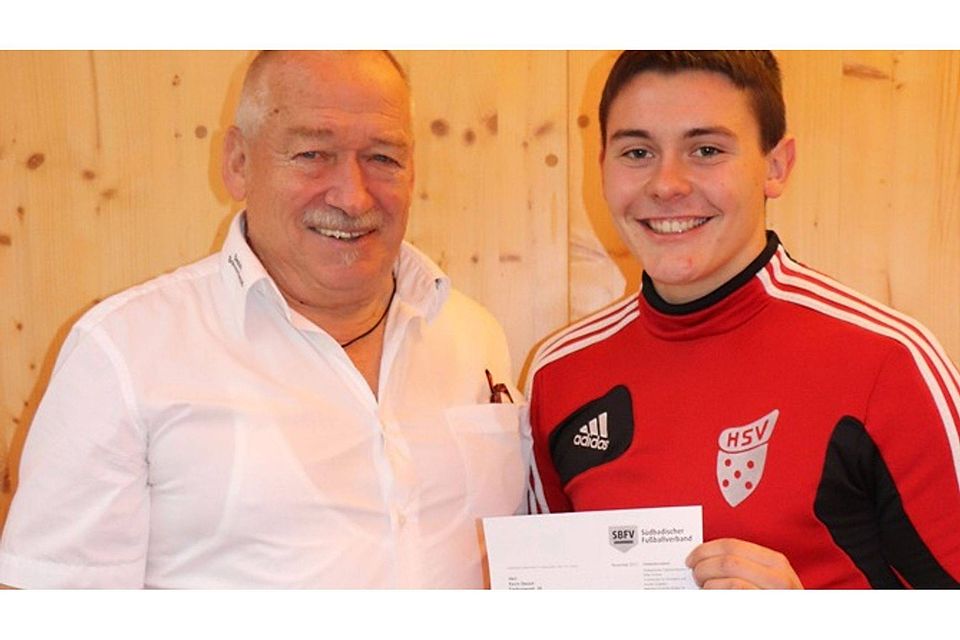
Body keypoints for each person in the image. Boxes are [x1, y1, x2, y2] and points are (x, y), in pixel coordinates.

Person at [0, 50, 526, 588]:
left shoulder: (475, 337)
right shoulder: (122, 354)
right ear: (238, 163)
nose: (352, 195)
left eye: (383, 158)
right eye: (312, 153)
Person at [526, 50, 960, 589]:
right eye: (637, 151)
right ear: (603, 168)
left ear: (775, 167)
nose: (666, 184)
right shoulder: (559, 374)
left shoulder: (889, 362)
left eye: (706, 150)